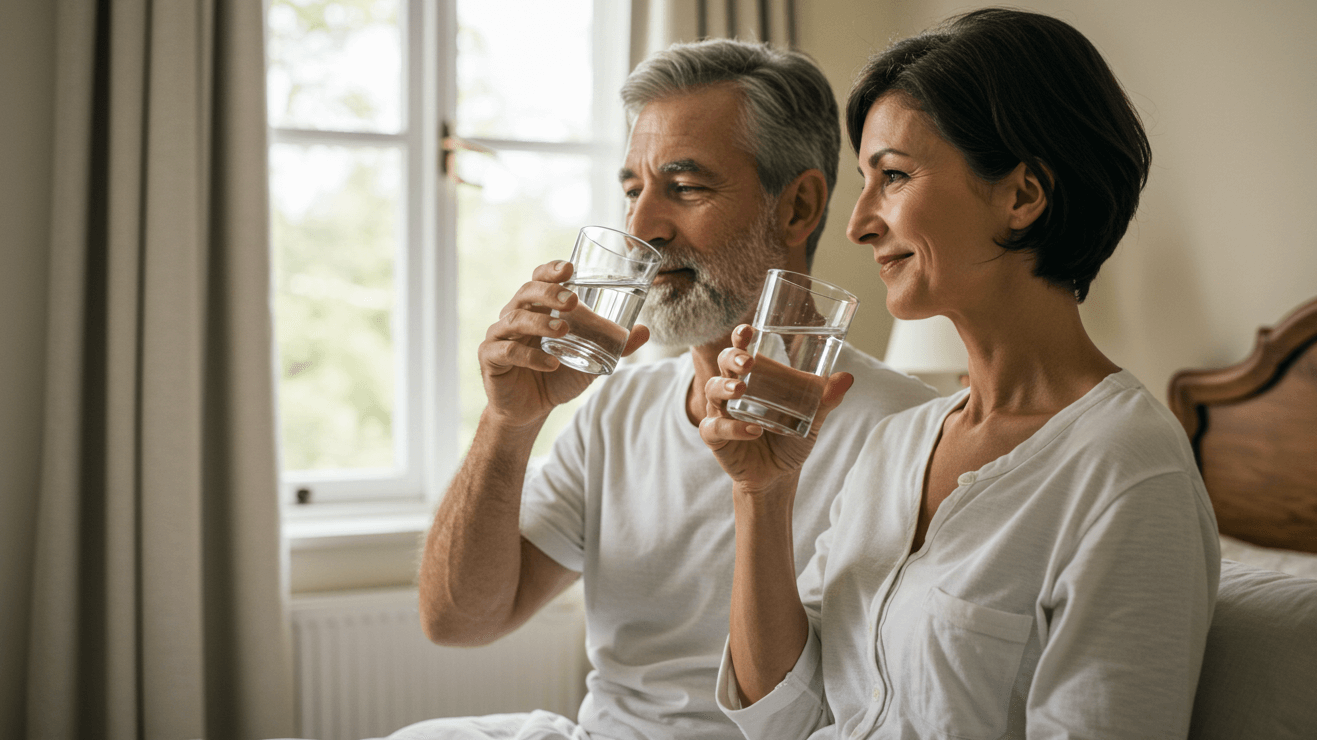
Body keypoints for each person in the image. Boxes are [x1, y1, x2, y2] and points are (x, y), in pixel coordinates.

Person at [395, 39, 938, 740]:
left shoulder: (908, 431)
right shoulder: (619, 407)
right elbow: (459, 621)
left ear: (798, 207)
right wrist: (509, 422)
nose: (641, 228)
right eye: (633, 190)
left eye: (684, 188)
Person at [700, 8, 1220, 739]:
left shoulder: (1126, 472)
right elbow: (782, 718)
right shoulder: (894, 444)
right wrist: (761, 492)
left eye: (893, 176)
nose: (857, 223)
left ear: (1022, 195)